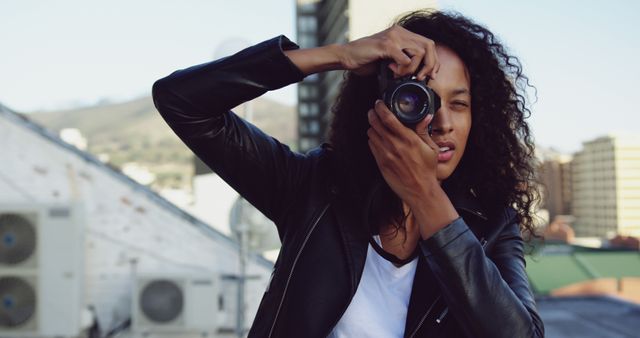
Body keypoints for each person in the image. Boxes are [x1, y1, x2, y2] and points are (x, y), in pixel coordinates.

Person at [152, 9, 544, 338]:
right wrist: (338, 55)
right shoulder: (312, 188)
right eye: (419, 98)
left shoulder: (492, 222)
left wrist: (426, 196)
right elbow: (182, 101)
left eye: (459, 104)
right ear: (381, 108)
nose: (443, 122)